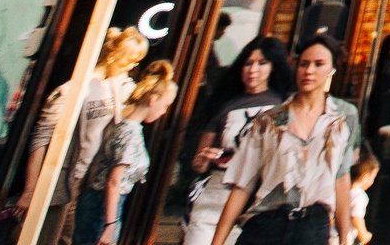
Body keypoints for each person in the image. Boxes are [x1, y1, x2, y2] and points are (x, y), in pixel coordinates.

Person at [209, 34, 355, 245]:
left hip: (313, 228)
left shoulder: (341, 119)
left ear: (332, 69)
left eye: (318, 64)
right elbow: (242, 185)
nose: (309, 71)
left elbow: (341, 179)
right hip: (268, 224)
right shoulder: (270, 120)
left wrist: (344, 238)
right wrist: (217, 242)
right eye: (304, 64)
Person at [22, 27, 149, 245]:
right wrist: (30, 189)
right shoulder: (72, 90)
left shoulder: (119, 87)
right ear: (114, 57)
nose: (132, 67)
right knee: (54, 236)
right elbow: (41, 137)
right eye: (130, 61)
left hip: (93, 178)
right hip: (69, 177)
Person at [183, 38, 293, 245]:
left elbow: (280, 161)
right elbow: (198, 163)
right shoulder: (225, 106)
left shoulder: (281, 108)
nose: (253, 70)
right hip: (215, 193)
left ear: (273, 68)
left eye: (262, 63)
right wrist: (203, 159)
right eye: (248, 63)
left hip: (251, 202)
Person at [75, 62, 178, 245]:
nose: (164, 112)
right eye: (165, 105)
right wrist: (110, 224)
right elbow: (114, 181)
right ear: (152, 100)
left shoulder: (123, 127)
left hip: (99, 203)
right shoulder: (130, 133)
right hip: (104, 206)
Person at [348, 154, 378, 245]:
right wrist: (364, 235)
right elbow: (356, 218)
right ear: (365, 177)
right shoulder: (359, 196)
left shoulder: (343, 191)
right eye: (372, 178)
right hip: (345, 238)